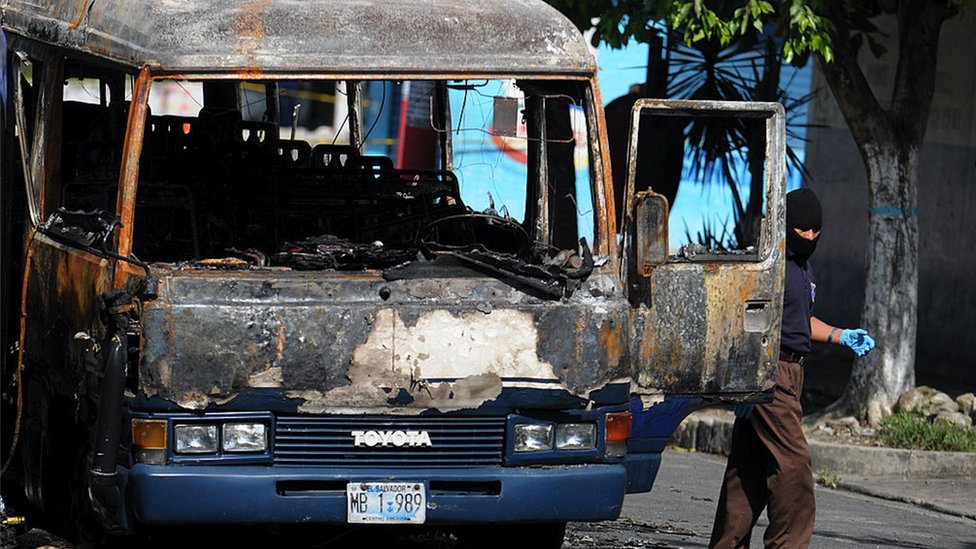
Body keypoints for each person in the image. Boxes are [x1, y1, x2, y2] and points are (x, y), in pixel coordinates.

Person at [709, 187, 875, 548]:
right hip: (771, 372)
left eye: (817, 231)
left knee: (749, 469)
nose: (811, 237)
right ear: (786, 227)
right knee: (794, 466)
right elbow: (742, 322)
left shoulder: (803, 268)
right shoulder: (770, 267)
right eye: (803, 230)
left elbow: (801, 322)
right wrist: (744, 381)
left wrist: (841, 335)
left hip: (792, 373)